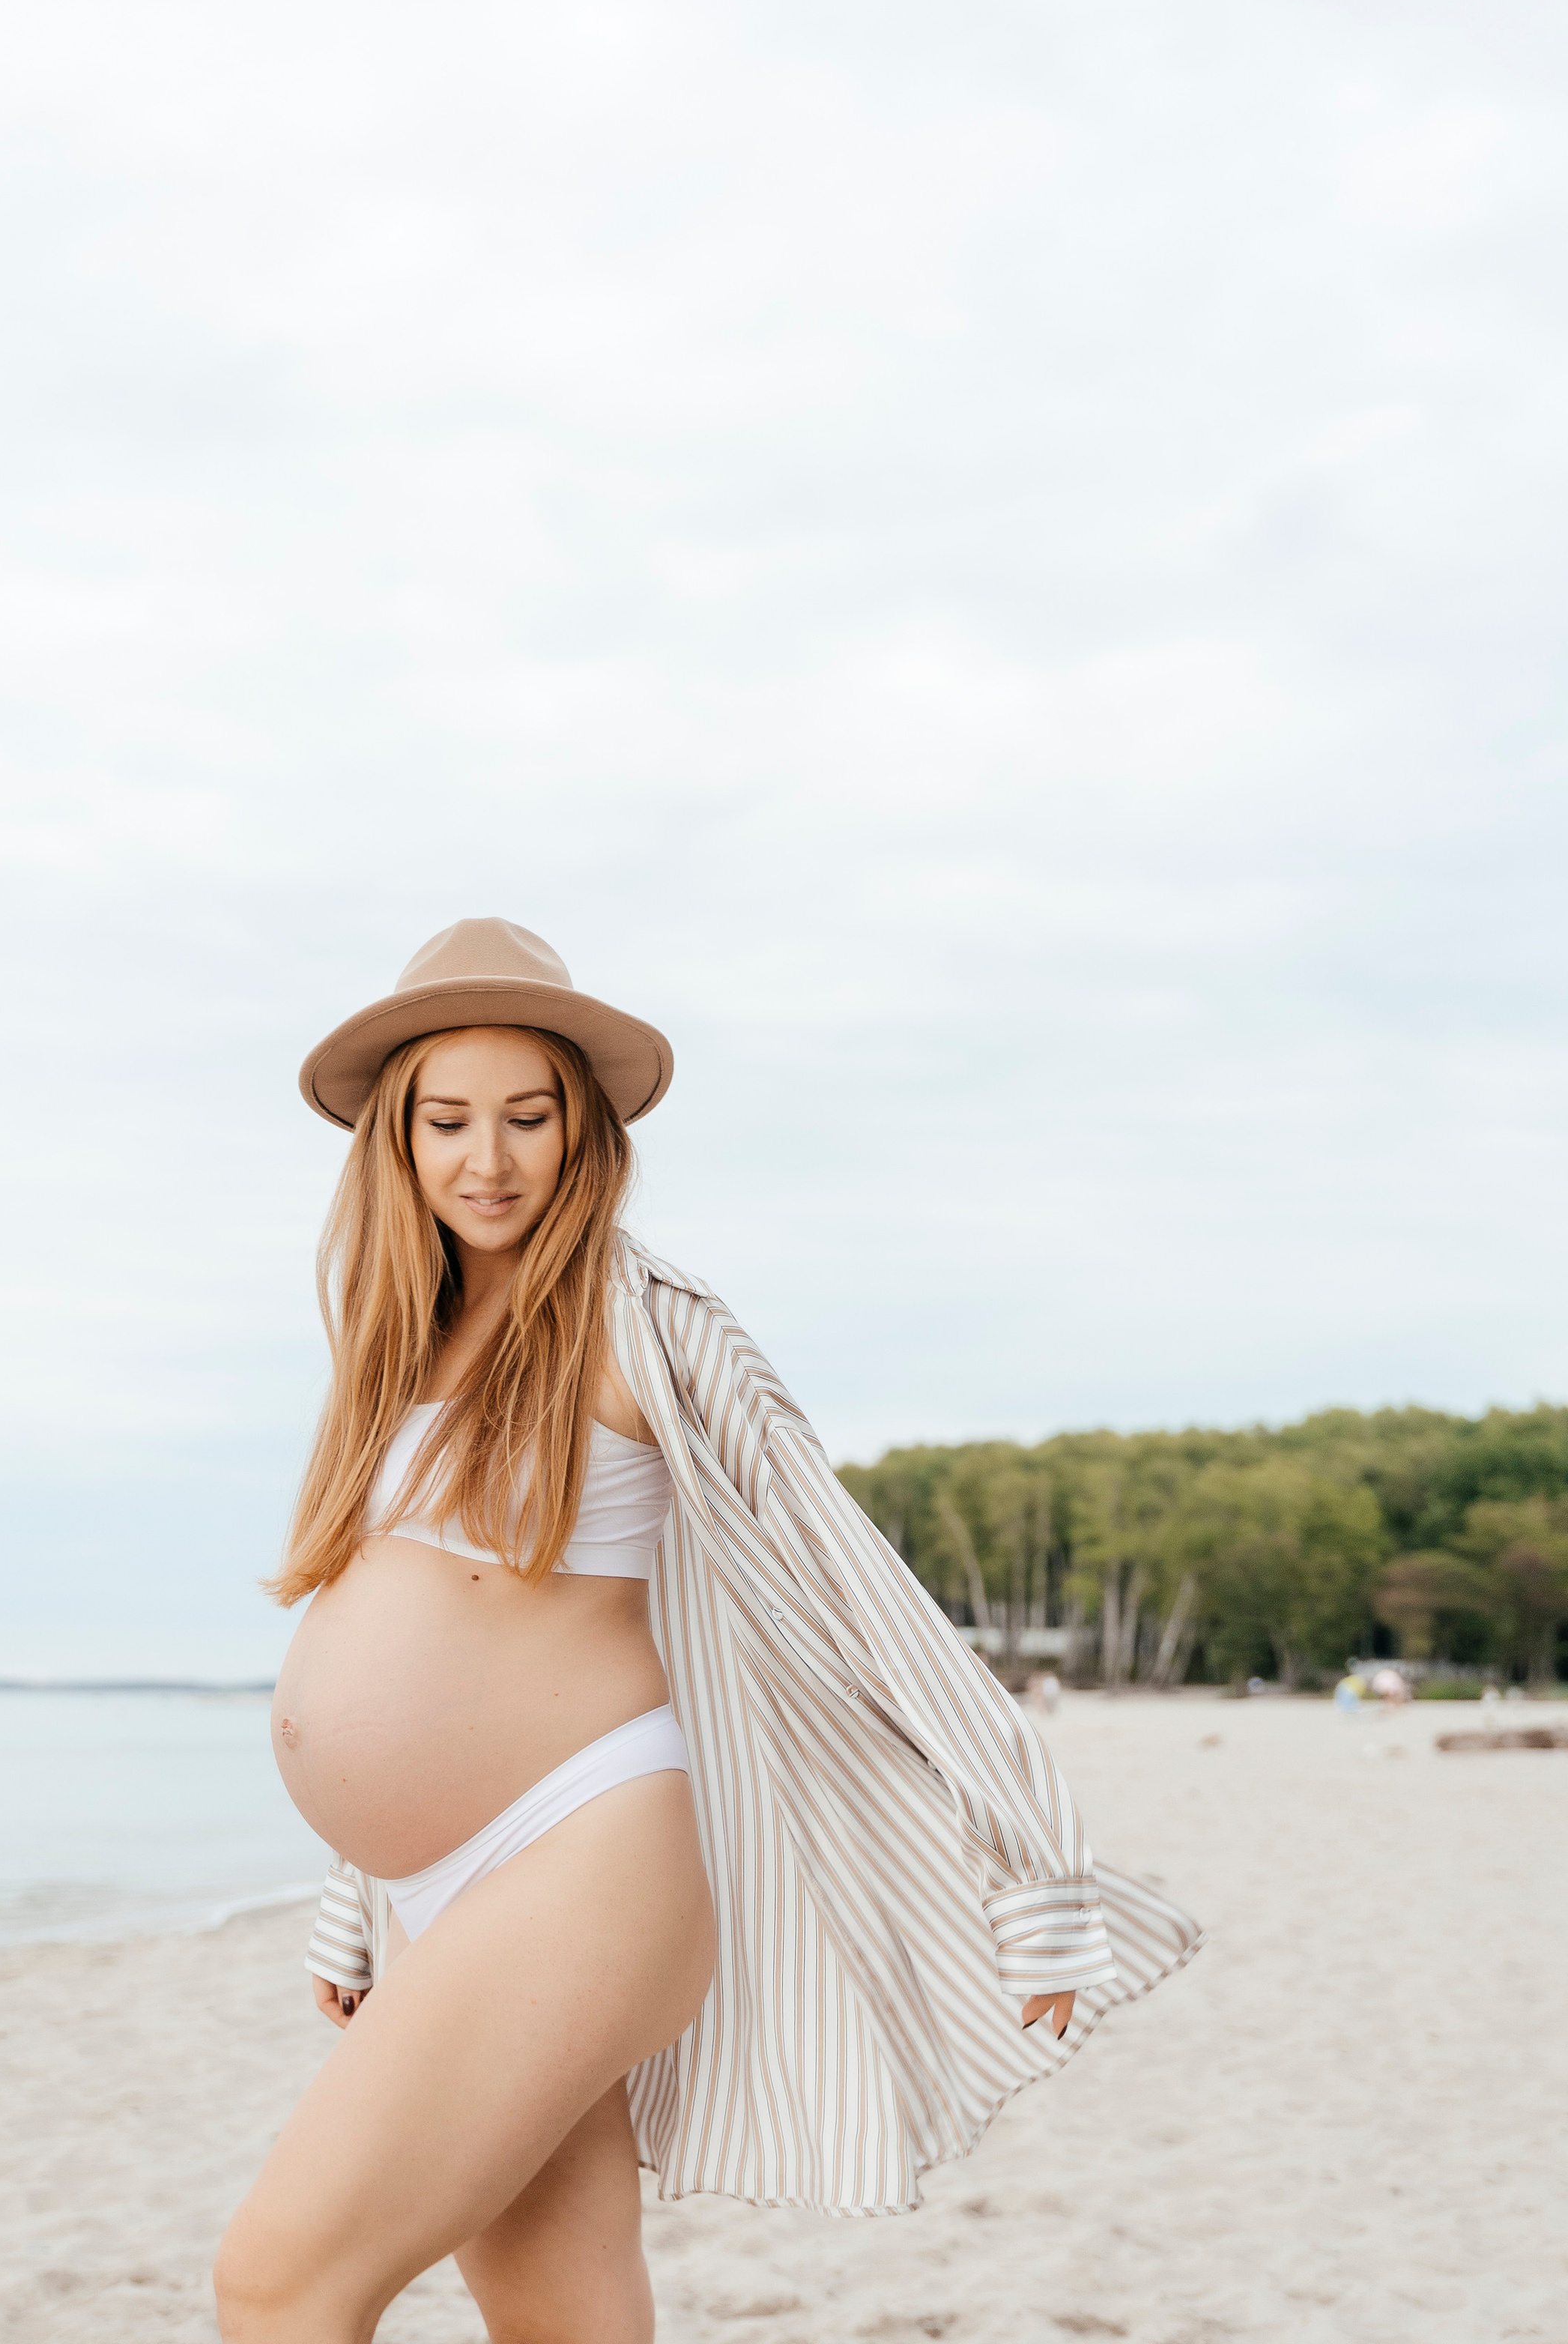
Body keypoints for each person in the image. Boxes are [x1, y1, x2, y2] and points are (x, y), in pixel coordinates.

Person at [215, 921, 1202, 2344]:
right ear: (394, 1140)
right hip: (440, 1889)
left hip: (580, 1857)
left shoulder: (656, 1327)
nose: (486, 1159)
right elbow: (389, 1623)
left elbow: (867, 1596)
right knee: (563, 2310)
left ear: (585, 1133)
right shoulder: (398, 1342)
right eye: (446, 1121)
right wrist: (353, 1888)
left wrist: (1030, 1861)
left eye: (526, 1117)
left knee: (280, 2278)